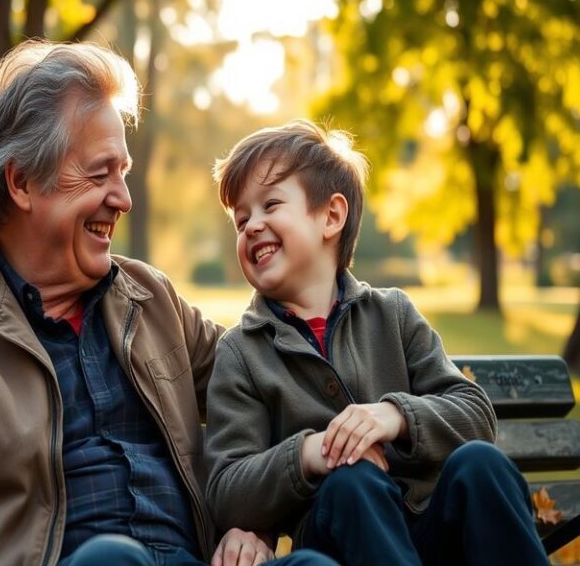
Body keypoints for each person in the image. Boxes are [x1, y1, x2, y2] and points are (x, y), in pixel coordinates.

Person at [0, 42, 337, 566]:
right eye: (100, 174)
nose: (123, 198)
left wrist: (249, 520)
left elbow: (272, 391)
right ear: (21, 182)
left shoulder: (153, 300)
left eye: (123, 173)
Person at [205, 119, 550, 565]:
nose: (252, 226)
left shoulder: (392, 314)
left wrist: (396, 416)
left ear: (331, 216)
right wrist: (312, 453)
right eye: (241, 218)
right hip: (342, 537)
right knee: (352, 481)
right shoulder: (244, 351)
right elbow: (229, 489)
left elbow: (475, 415)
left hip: (429, 533)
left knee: (480, 464)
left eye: (270, 205)